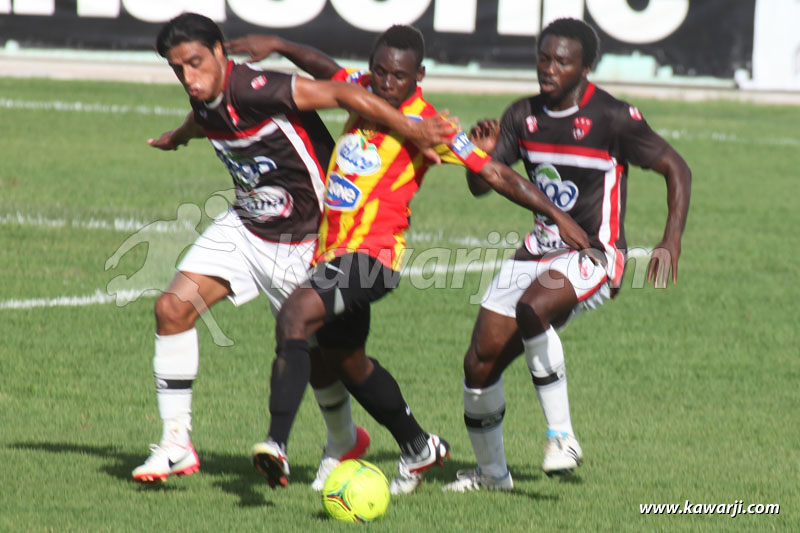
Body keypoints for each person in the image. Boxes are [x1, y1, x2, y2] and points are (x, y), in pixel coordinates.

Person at [228, 25, 590, 494]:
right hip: (332, 252)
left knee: (296, 316)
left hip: (372, 257)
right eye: (379, 71)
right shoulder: (362, 89)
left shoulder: (432, 126)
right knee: (347, 361)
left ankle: (276, 444)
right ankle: (419, 447)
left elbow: (497, 174)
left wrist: (556, 215)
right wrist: (279, 45)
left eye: (398, 75)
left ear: (418, 75)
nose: (385, 82)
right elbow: (326, 69)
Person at [131, 12, 455, 487]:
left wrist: (413, 128)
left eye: (196, 64)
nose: (188, 78)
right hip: (246, 224)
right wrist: (179, 136)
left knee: (331, 358)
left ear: (221, 52)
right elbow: (206, 119)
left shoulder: (261, 88)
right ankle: (176, 443)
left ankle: (350, 439)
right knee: (172, 308)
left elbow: (343, 92)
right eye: (178, 69)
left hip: (306, 237)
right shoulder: (203, 96)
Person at [440, 18, 692, 492]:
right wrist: (480, 157)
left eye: (562, 61)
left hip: (595, 254)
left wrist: (670, 239)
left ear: (585, 67)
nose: (549, 68)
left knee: (533, 308)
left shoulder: (614, 118)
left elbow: (677, 167)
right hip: (539, 249)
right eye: (543, 57)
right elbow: (483, 185)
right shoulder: (521, 115)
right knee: (479, 364)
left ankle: (562, 437)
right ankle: (492, 475)